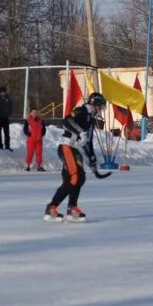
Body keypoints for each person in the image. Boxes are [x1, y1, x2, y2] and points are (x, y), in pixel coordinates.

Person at [44, 92, 106, 222]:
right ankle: (53, 207)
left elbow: (87, 142)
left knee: (79, 178)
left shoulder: (90, 120)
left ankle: (70, 207)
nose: (101, 110)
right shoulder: (82, 110)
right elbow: (66, 121)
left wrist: (92, 160)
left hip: (75, 150)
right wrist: (80, 132)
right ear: (94, 104)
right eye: (100, 107)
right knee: (75, 176)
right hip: (67, 146)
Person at [0, 86, 13, 151]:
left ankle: (7, 145)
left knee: (7, 133)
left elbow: (10, 105)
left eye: (4, 92)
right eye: (1, 92)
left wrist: (9, 113)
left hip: (5, 117)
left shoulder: (8, 97)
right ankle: (0, 145)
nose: (3, 93)